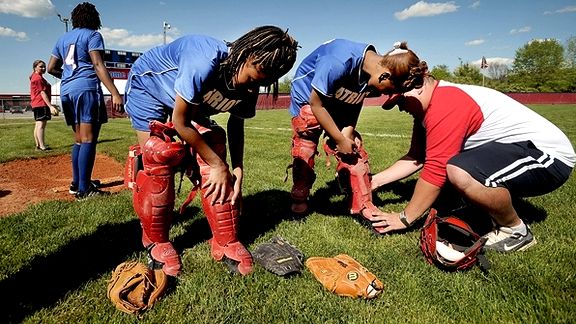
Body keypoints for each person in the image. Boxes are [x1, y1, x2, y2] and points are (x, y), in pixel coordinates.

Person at [123, 26, 298, 277]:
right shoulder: (203, 59)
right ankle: (154, 239)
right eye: (251, 79)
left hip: (188, 104)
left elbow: (236, 124)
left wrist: (236, 169)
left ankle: (224, 239)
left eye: (261, 84)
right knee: (159, 154)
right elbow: (181, 122)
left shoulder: (253, 79)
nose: (252, 89)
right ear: (246, 54)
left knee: (213, 144)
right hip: (148, 88)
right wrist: (218, 165)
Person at [370, 76, 575, 252]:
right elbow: (416, 157)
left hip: (548, 158)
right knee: (455, 174)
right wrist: (375, 181)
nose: (400, 108)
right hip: (518, 152)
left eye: (399, 100)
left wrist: (404, 218)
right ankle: (479, 209)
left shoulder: (445, 102)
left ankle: (516, 231)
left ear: (417, 86)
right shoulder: (428, 108)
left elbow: (436, 169)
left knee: (459, 171)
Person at [288, 40, 426, 224]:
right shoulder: (337, 62)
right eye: (391, 90)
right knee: (307, 133)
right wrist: (338, 139)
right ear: (385, 76)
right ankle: (300, 197)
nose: (386, 95)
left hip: (337, 98)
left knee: (354, 147)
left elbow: (355, 99)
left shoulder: (374, 68)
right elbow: (316, 104)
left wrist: (348, 133)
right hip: (309, 97)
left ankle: (362, 203)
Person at [47, 2, 123, 199]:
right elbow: (98, 64)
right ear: (94, 18)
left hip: (67, 90)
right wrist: (115, 92)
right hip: (86, 88)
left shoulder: (62, 38)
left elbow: (51, 68)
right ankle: (84, 190)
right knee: (89, 138)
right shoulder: (93, 35)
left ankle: (78, 182)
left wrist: (69, 75)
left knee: (79, 139)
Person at [30, 59, 59, 151]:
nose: (43, 68)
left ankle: (38, 145)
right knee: (41, 125)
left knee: (38, 124)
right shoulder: (38, 78)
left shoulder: (36, 76)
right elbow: (42, 93)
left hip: (36, 103)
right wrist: (50, 106)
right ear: (35, 68)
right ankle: (42, 146)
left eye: (44, 66)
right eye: (40, 66)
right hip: (40, 103)